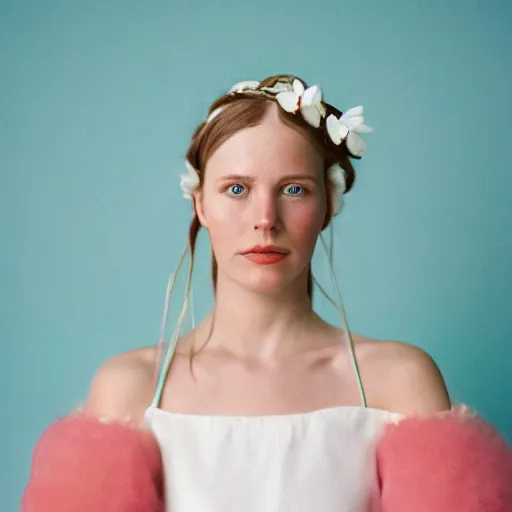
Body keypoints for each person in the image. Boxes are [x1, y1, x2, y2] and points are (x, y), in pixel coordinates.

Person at [21, 75, 511, 512]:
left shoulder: (399, 382)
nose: (265, 219)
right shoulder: (131, 388)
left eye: (294, 189)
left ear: (328, 204)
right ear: (200, 204)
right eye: (236, 189)